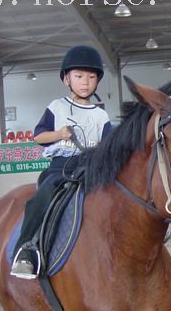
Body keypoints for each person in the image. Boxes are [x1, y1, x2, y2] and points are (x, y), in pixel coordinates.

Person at [11, 45, 113, 279]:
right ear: (66, 79)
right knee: (42, 198)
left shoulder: (101, 116)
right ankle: (27, 251)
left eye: (91, 77)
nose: (85, 82)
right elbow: (38, 137)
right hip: (61, 168)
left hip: (90, 169)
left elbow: (108, 148)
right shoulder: (56, 107)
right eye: (79, 76)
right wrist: (59, 134)